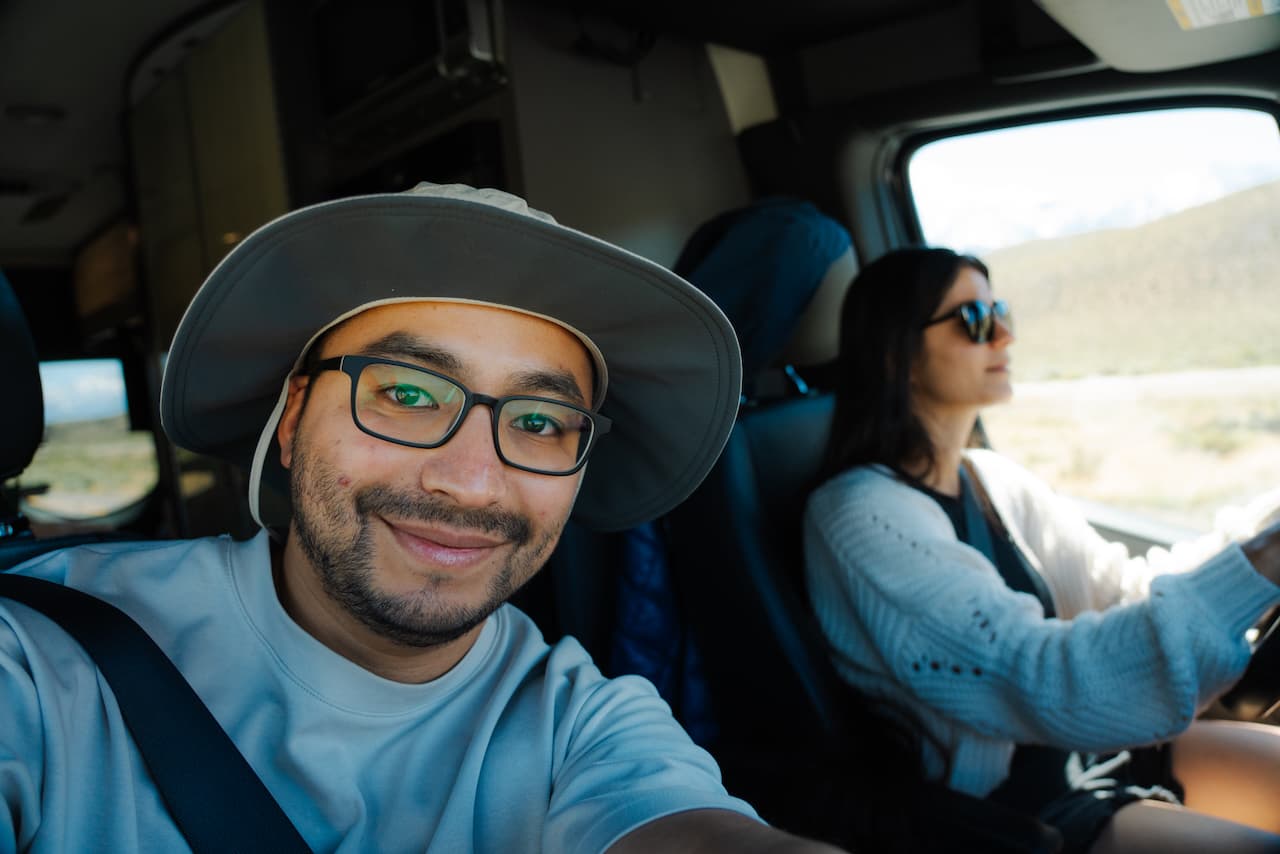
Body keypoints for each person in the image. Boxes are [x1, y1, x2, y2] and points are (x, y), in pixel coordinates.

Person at [1, 183, 846, 853]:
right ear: (293, 422)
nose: (472, 482)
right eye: (405, 394)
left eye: (541, 422)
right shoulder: (40, 661)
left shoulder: (578, 718)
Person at [803, 246, 1280, 853]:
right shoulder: (858, 516)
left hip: (1097, 747)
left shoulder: (991, 479)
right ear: (898, 353)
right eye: (974, 320)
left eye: (1000, 310)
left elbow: (1123, 590)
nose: (1004, 334)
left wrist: (1264, 533)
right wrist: (1265, 561)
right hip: (1018, 808)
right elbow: (1038, 677)